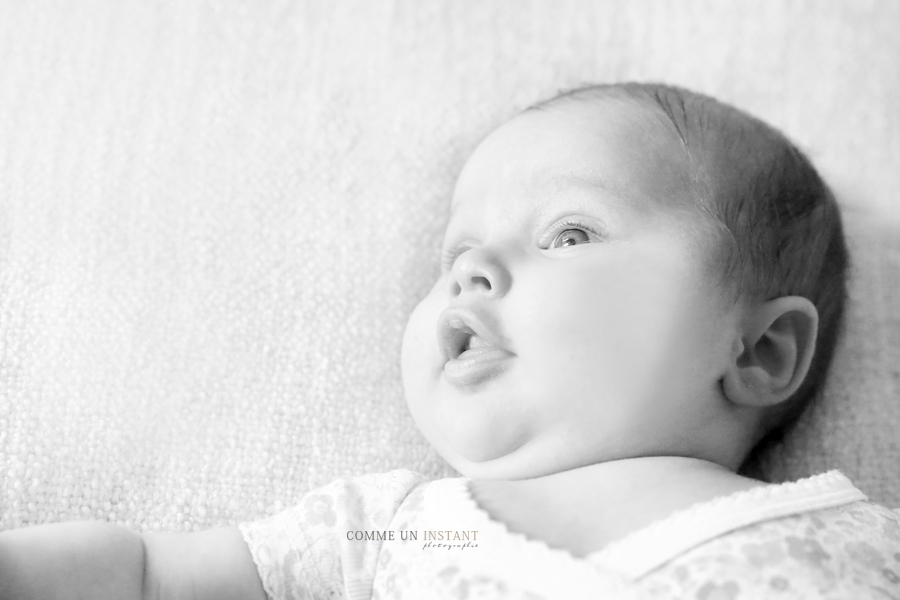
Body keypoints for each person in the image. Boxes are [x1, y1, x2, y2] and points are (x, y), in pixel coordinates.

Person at [2, 83, 898, 599]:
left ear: (761, 352)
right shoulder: (406, 535)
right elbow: (148, 575)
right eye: (458, 252)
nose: (473, 273)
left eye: (569, 234)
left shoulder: (859, 542)